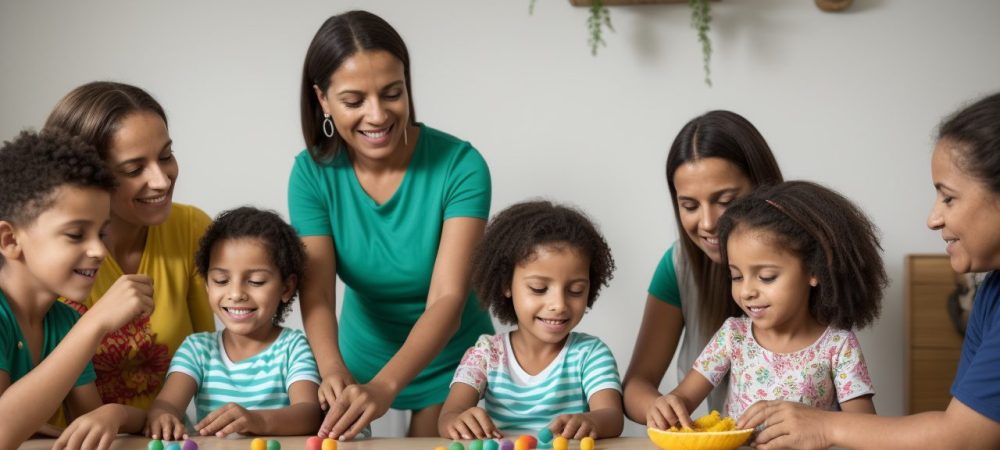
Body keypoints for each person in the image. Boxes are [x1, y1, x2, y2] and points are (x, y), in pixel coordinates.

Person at [738, 93, 1000, 450]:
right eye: (736, 275)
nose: (933, 218)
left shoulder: (838, 346)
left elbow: (962, 437)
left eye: (949, 198)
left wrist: (825, 426)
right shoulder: (991, 292)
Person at [289, 10, 494, 439]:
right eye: (354, 101)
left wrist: (385, 387)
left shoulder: (461, 166)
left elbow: (448, 299)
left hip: (453, 365)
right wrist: (332, 369)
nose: (378, 115)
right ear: (322, 100)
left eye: (392, 93)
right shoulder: (311, 174)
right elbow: (318, 293)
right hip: (358, 360)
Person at [652, 181, 883, 429]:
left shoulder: (838, 347)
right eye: (736, 276)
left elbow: (865, 430)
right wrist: (669, 405)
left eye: (766, 277)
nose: (747, 292)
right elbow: (683, 398)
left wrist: (820, 425)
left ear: (814, 270)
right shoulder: (732, 336)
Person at [43, 82, 215, 411]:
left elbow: (211, 356)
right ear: (84, 176)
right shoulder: (41, 255)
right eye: (134, 169)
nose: (162, 181)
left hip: (160, 435)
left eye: (166, 156)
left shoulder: (192, 229)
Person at [623, 110, 784, 426]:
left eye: (725, 200)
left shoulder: (812, 260)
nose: (709, 223)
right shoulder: (679, 266)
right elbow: (637, 385)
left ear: (762, 187)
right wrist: (662, 408)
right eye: (690, 206)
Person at [0, 130, 153, 449]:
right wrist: (95, 323)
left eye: (102, 233)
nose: (99, 251)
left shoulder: (63, 322)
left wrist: (114, 413)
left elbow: (89, 420)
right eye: (75, 234)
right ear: (10, 240)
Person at [438, 200, 624, 439]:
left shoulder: (590, 354)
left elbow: (612, 416)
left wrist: (592, 421)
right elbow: (448, 417)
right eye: (538, 288)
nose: (559, 304)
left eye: (575, 290)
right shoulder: (486, 354)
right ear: (506, 284)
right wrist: (459, 421)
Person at [146, 207, 321, 439]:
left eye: (256, 281)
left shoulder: (293, 347)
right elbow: (166, 406)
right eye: (221, 280)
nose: (236, 294)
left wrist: (256, 420)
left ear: (286, 288)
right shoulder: (197, 349)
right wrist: (163, 416)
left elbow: (309, 414)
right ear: (207, 285)